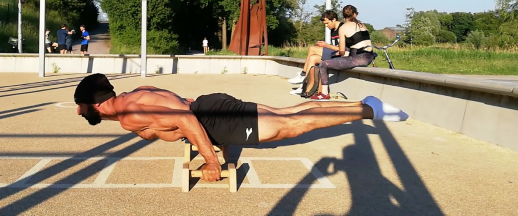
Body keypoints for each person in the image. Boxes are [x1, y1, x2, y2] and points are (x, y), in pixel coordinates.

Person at [73, 73, 408, 182]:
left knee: (290, 126)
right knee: (287, 112)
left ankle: (366, 111)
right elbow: (184, 106)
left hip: (212, 118)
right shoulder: (134, 97)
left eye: (81, 105)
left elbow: (186, 121)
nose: (78, 112)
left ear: (96, 102)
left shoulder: (130, 114)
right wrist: (220, 147)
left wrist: (215, 161)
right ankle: (359, 105)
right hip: (210, 106)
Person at [310, 5, 376, 100]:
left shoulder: (343, 27)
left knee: (323, 64)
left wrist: (341, 55)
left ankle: (324, 94)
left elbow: (341, 50)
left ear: (343, 15)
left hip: (357, 59)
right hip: (369, 57)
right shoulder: (363, 25)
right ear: (355, 14)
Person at [288, 10, 343, 96]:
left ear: (334, 19)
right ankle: (304, 86)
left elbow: (342, 49)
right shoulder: (333, 30)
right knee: (312, 58)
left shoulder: (342, 28)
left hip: (342, 56)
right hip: (334, 54)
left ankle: (303, 75)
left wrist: (326, 45)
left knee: (312, 49)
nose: (326, 26)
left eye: (327, 23)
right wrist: (325, 45)